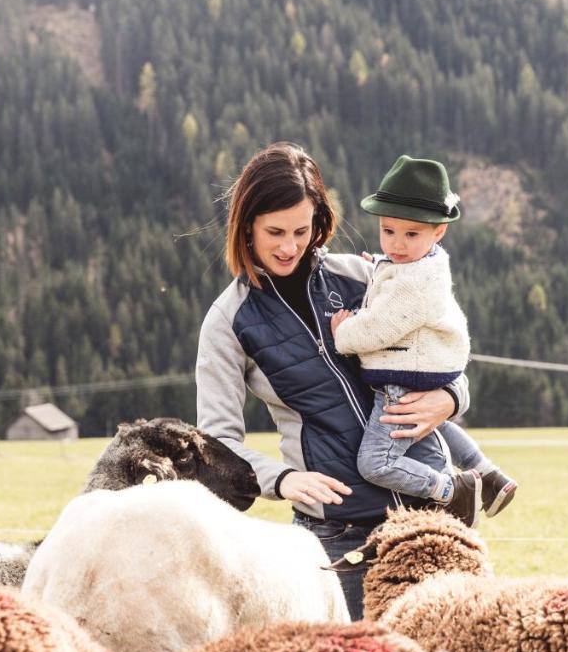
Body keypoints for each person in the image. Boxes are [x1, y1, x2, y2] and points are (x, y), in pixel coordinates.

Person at [195, 142, 468, 619]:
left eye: (302, 230)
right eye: (274, 232)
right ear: (246, 228)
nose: (289, 246)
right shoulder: (227, 321)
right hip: (340, 534)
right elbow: (215, 440)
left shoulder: (365, 276)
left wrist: (451, 397)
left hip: (432, 514)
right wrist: (282, 480)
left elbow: (444, 346)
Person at [329, 155, 517, 527]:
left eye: (410, 234)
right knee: (433, 422)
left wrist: (342, 333)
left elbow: (378, 328)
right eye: (388, 231)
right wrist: (382, 264)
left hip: (402, 378)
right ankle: (489, 475)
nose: (397, 244)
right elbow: (396, 272)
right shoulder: (421, 264)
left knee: (376, 463)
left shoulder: (414, 284)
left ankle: (452, 489)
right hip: (428, 370)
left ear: (438, 232)